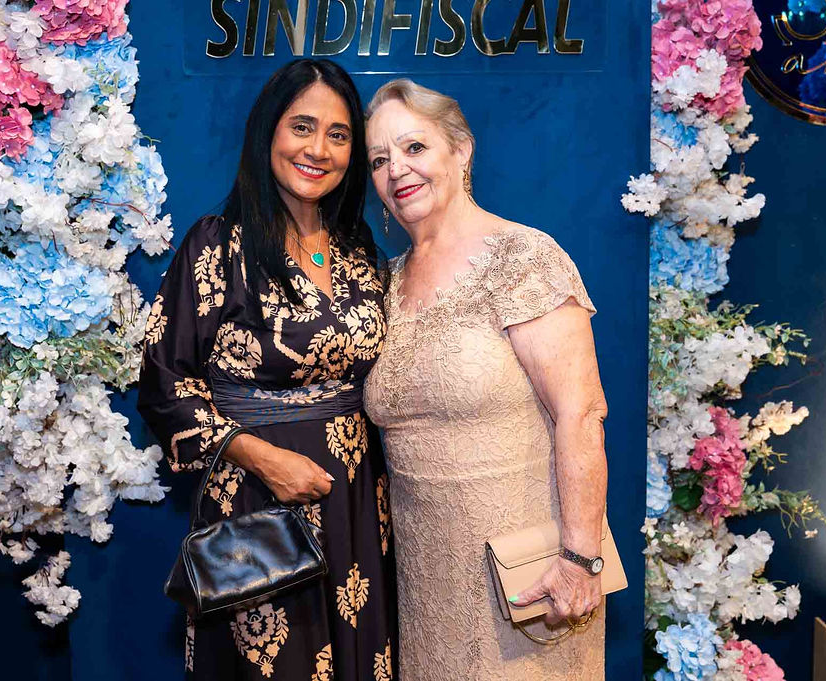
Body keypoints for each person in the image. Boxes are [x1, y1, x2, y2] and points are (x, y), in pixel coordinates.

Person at [138, 59, 397, 681]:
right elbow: (164, 381)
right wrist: (262, 459)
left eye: (338, 135)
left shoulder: (360, 247)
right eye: (302, 127)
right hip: (257, 502)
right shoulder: (217, 243)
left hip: (359, 503)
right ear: (267, 133)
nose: (319, 149)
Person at [363, 79, 608, 680]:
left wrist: (580, 559)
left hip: (531, 582)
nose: (397, 170)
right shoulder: (381, 283)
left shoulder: (524, 257)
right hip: (424, 585)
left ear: (461, 150)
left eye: (414, 147)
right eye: (379, 159)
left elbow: (581, 413)